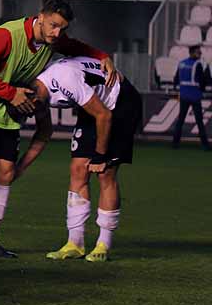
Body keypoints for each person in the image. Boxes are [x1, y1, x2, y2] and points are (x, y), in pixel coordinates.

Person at [0, 0, 114, 258]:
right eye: (54, 25)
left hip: (9, 114)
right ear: (40, 17)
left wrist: (104, 57)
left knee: (5, 173)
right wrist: (10, 93)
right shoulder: (7, 35)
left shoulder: (53, 40)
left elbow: (79, 47)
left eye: (62, 29)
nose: (57, 33)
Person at [32, 57, 143, 263]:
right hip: (94, 106)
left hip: (120, 103)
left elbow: (105, 117)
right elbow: (44, 130)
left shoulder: (64, 79)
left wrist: (100, 156)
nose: (30, 112)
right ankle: (75, 243)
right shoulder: (38, 89)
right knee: (77, 170)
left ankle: (104, 244)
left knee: (105, 173)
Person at [171, 45, 210, 149]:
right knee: (199, 121)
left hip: (183, 95)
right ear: (192, 53)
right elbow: (202, 81)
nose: (200, 54)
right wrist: (203, 89)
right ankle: (205, 144)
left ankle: (175, 143)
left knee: (180, 120)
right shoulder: (198, 64)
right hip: (195, 95)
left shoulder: (181, 63)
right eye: (198, 52)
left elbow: (176, 79)